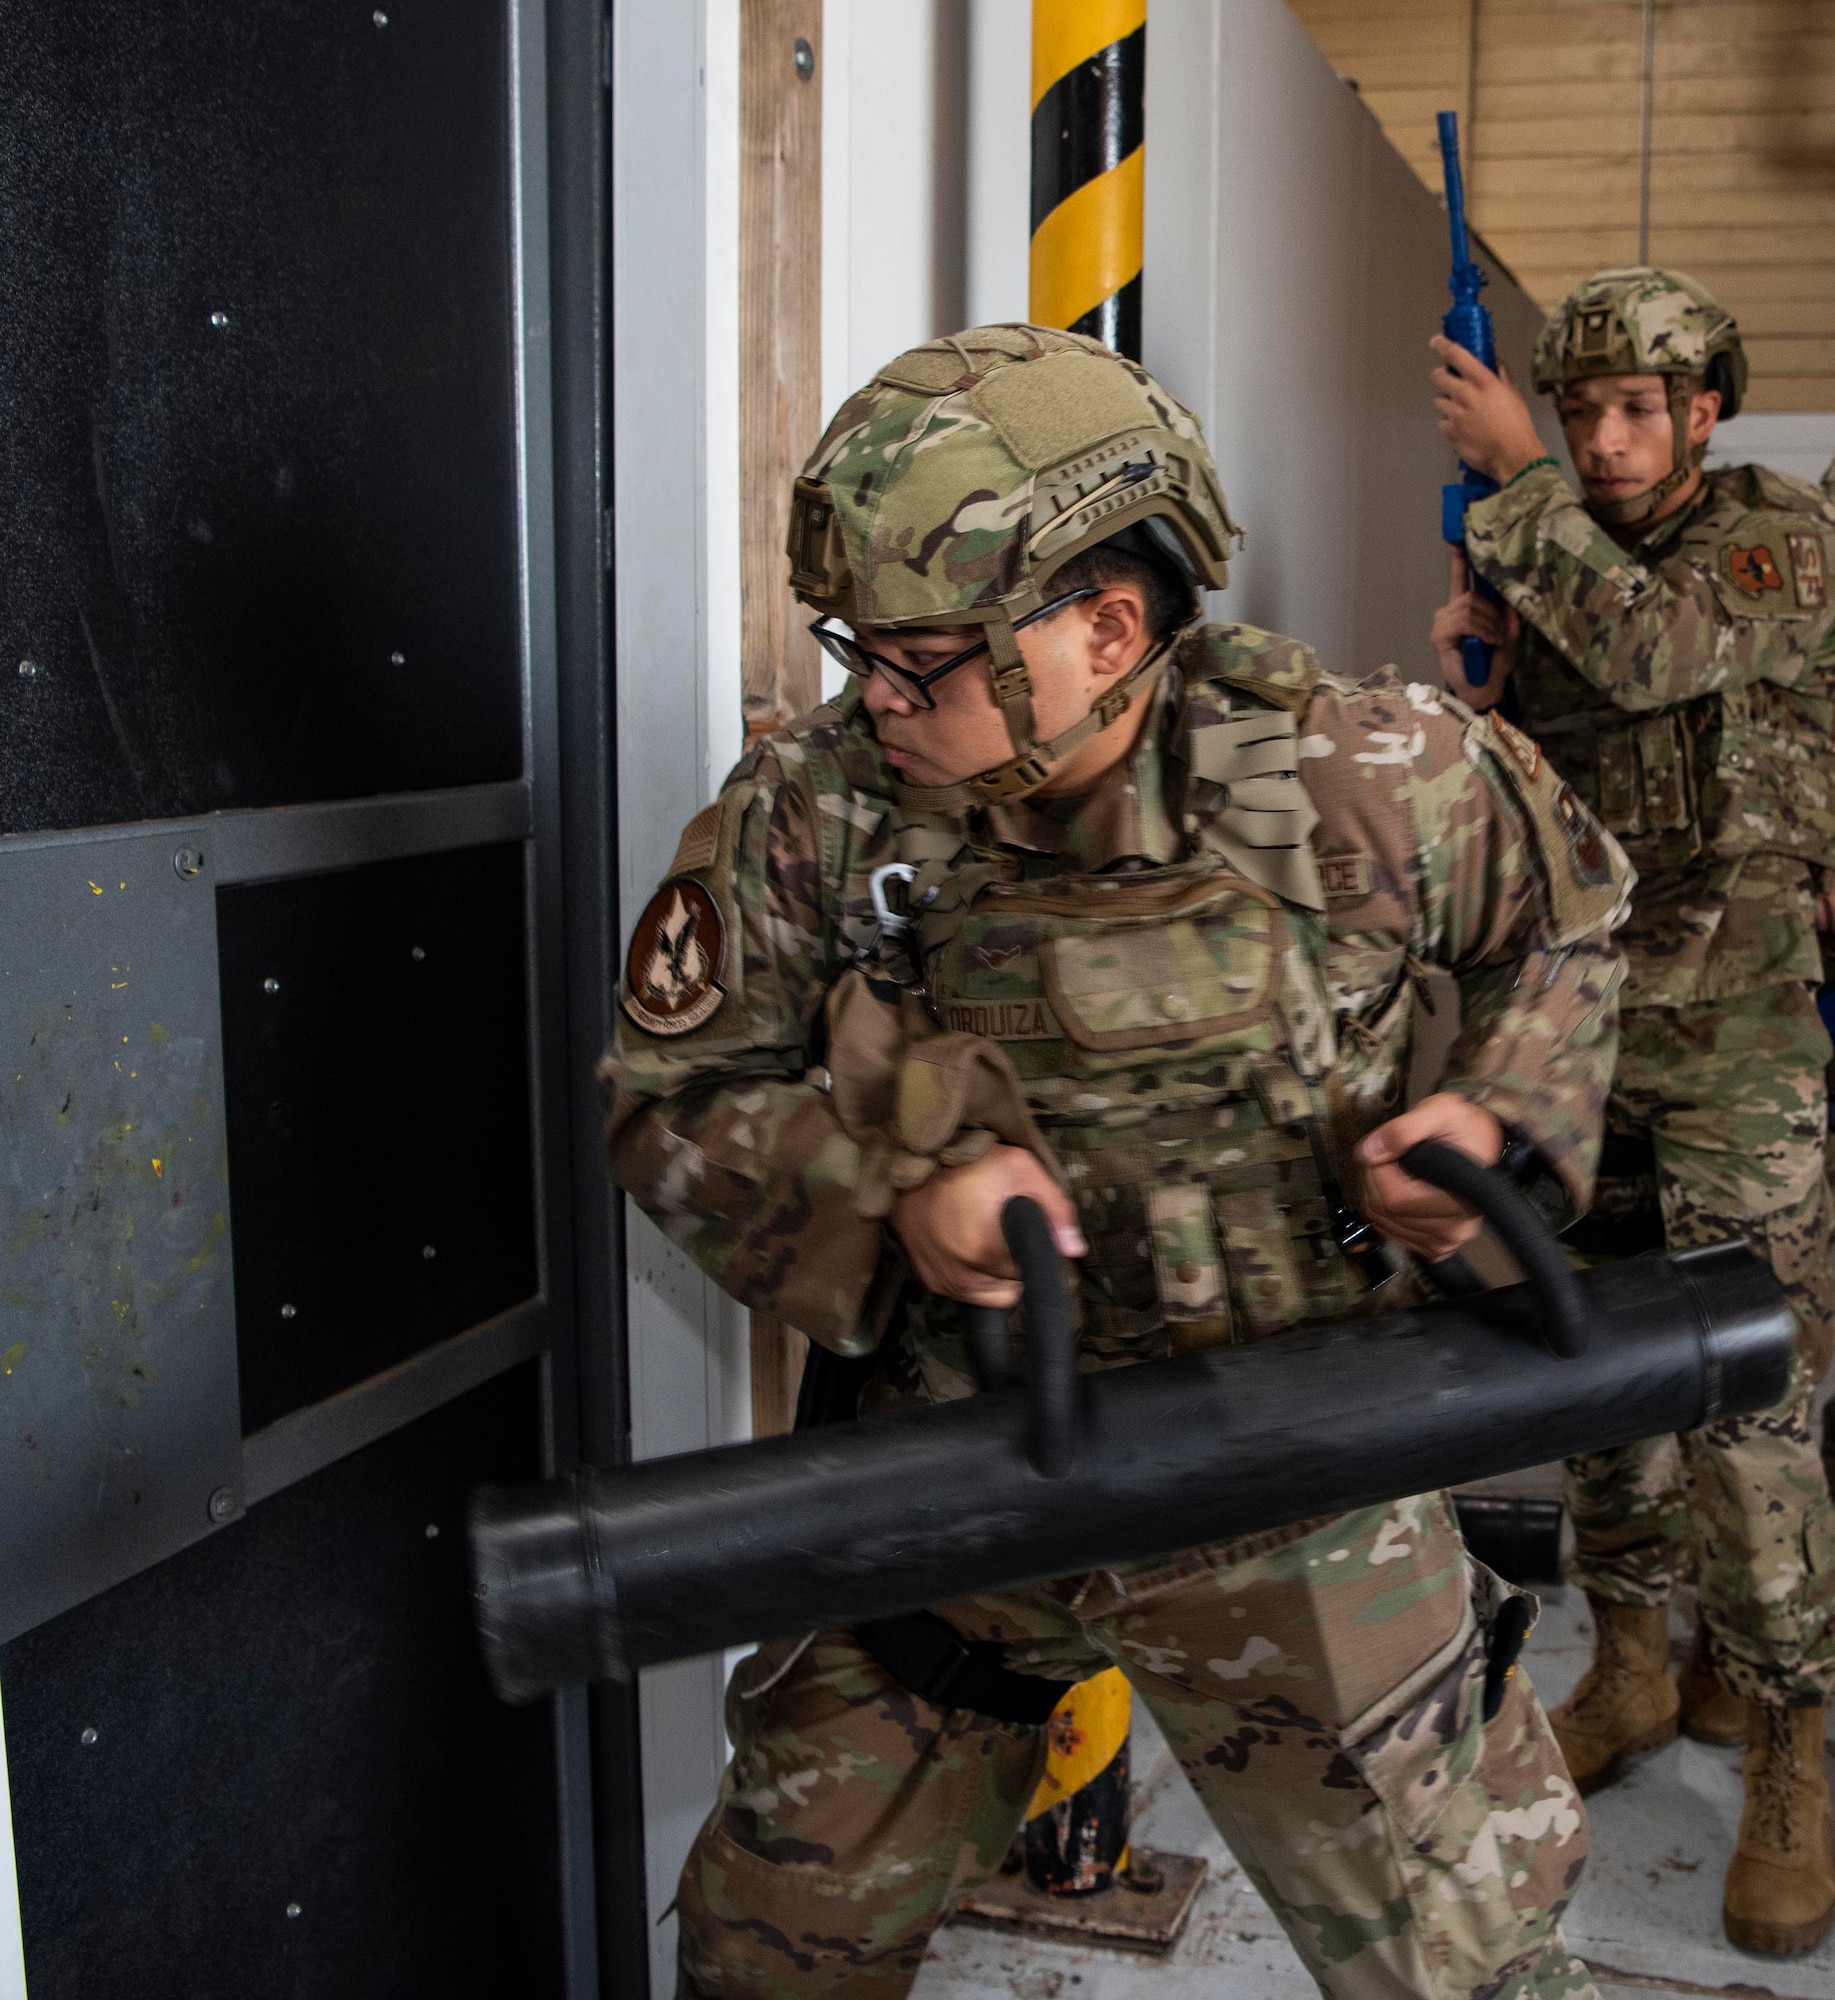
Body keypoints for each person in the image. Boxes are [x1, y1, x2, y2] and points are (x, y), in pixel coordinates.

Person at [608, 324, 1631, 2000]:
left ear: (1107, 628)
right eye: (858, 646)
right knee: (768, 1947)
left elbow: (1574, 920)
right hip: (964, 1470)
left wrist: (1500, 1125)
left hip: (1299, 1477)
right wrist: (890, 1213)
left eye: (923, 659)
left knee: (1472, 1973)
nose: (875, 692)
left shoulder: (1361, 771)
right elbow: (669, 1092)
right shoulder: (818, 814)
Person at [1430, 267, 1835, 1958]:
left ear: (1704, 410)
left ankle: (1795, 1738)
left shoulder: (1773, 536)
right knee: (1597, 1374)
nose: (1600, 440)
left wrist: (1517, 484)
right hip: (1580, 1035)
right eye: (1576, 411)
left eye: (1633, 410)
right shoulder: (1544, 563)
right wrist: (1472, 682)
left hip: (1737, 1036)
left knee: (1751, 1406)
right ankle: (1640, 1665)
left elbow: (1666, 655)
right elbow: (1536, 788)